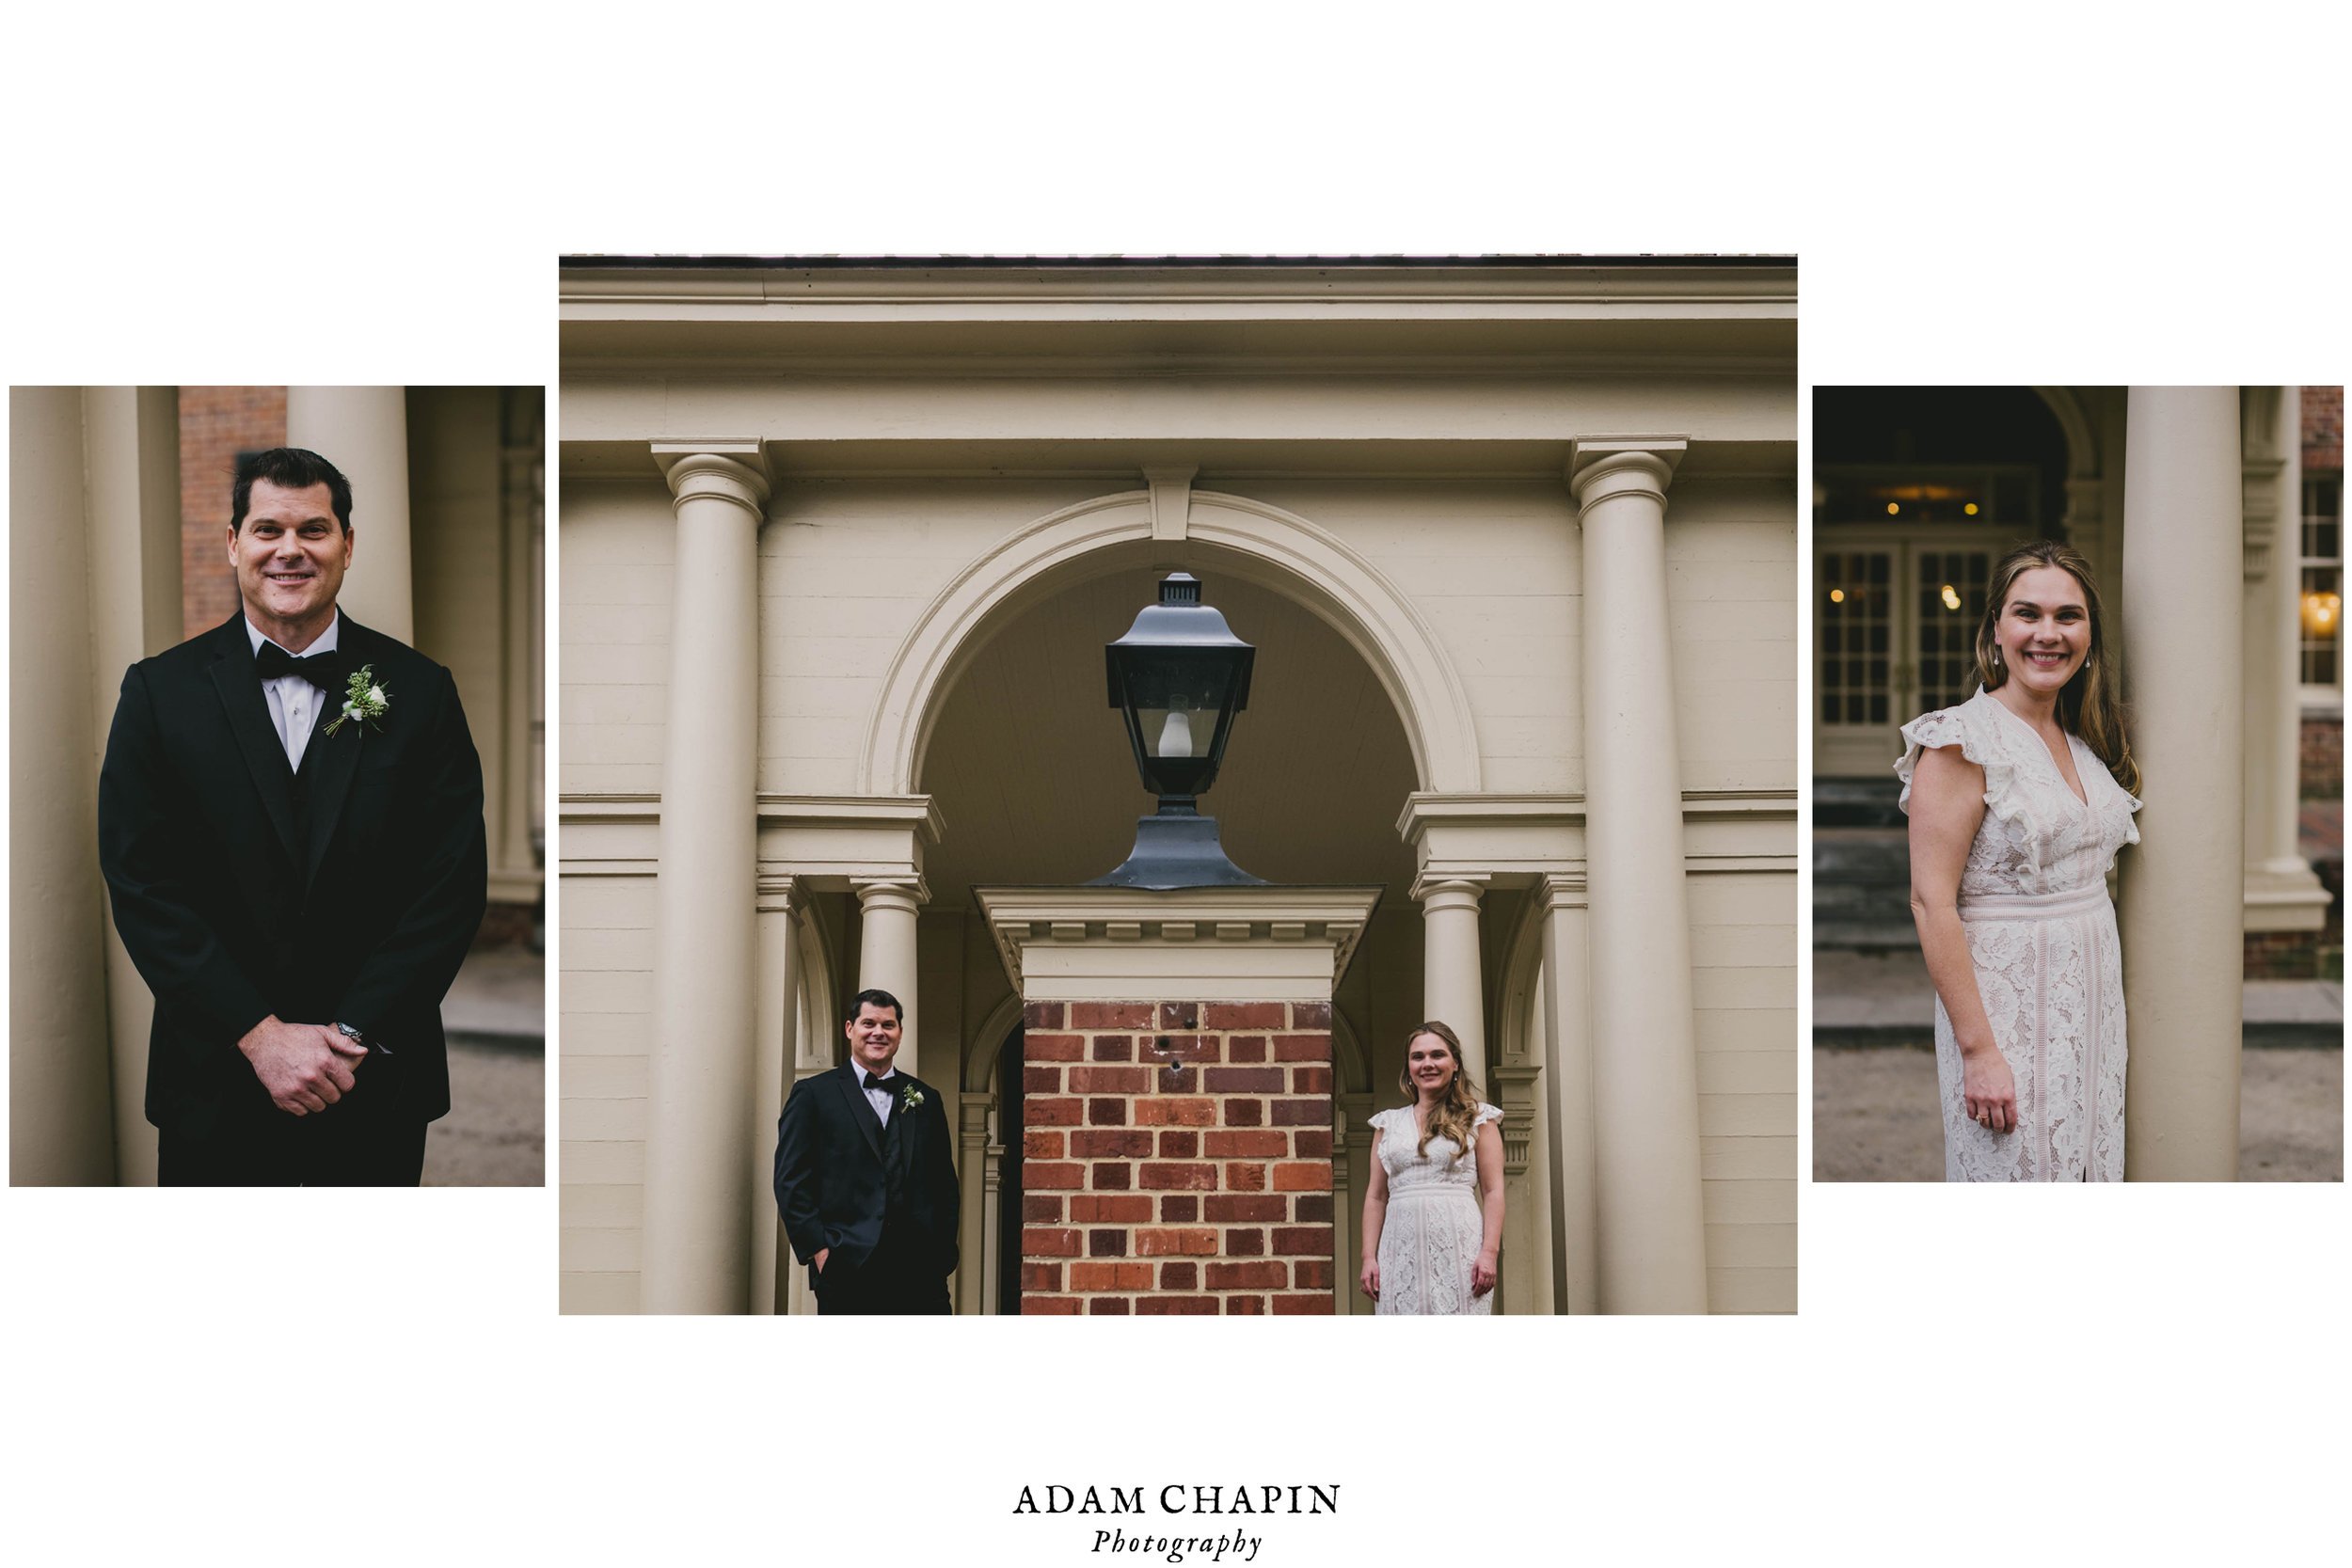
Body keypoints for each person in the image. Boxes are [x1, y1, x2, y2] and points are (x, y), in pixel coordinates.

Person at [97, 447, 487, 1185]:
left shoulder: (422, 691)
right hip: (214, 1076)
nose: (290, 550)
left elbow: (450, 885)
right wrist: (256, 1034)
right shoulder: (158, 692)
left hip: (374, 1078)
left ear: (347, 544)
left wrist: (346, 1036)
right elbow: (142, 881)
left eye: (313, 528)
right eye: (268, 528)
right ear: (234, 542)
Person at [1899, 539, 2141, 1181]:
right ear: (1996, 630)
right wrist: (1979, 1051)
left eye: (2068, 616)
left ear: (2089, 632)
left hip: (2091, 1013)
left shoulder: (2086, 739)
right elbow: (1931, 901)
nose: (2048, 633)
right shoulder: (1959, 741)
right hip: (2007, 1015)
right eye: (2027, 613)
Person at [772, 989, 961, 1314]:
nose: (878, 1032)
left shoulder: (925, 1098)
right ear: (850, 1029)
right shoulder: (813, 1095)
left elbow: (944, 1182)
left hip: (921, 1271)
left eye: (888, 1025)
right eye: (868, 1023)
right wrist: (819, 1249)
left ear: (900, 1033)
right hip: (846, 1264)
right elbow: (791, 1181)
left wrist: (942, 1251)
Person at [1358, 1021, 1504, 1314]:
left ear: (1455, 1065)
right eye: (1418, 1057)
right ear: (1408, 1068)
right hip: (1398, 1246)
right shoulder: (1387, 1124)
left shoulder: (1478, 1119)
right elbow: (1375, 1196)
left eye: (1437, 1055)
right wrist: (1368, 1257)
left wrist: (1489, 1252)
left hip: (1459, 1245)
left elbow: (1493, 1190)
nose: (1428, 1064)